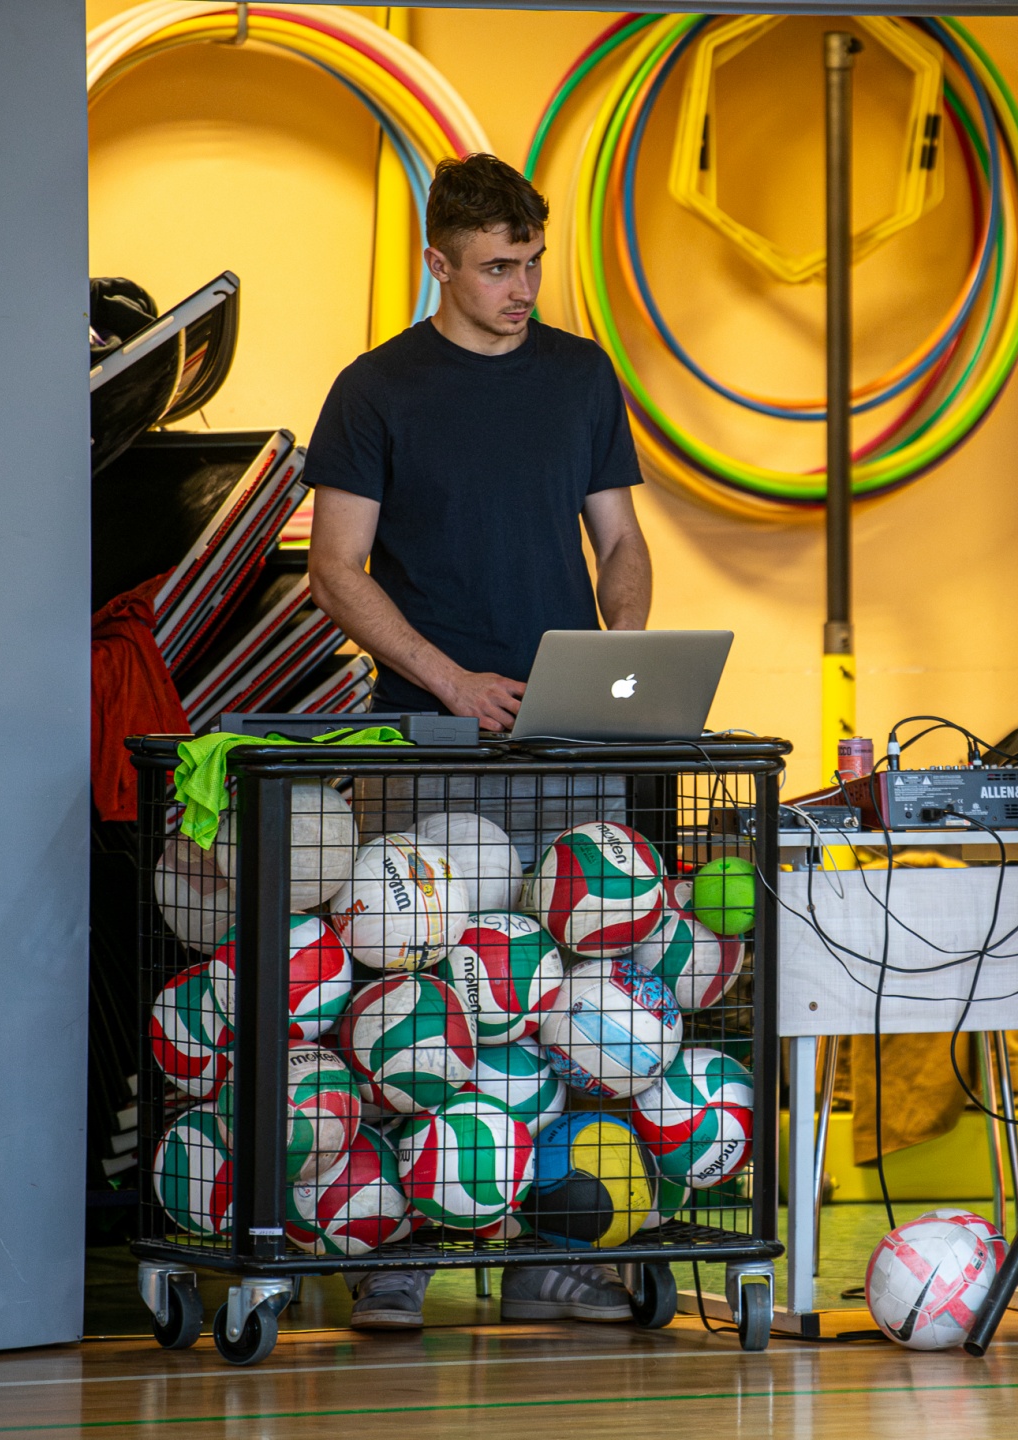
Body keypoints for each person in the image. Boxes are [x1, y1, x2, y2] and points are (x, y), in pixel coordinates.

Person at [305, 152, 653, 1331]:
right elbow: (335, 570)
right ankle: (396, 1253)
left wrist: (618, 656)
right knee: (415, 1004)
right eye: (499, 268)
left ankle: (541, 1260)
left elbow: (621, 541)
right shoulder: (375, 390)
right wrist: (451, 681)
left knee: (566, 1004)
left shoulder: (581, 375)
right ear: (438, 264)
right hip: (426, 741)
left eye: (533, 264)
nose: (523, 289)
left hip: (566, 739)